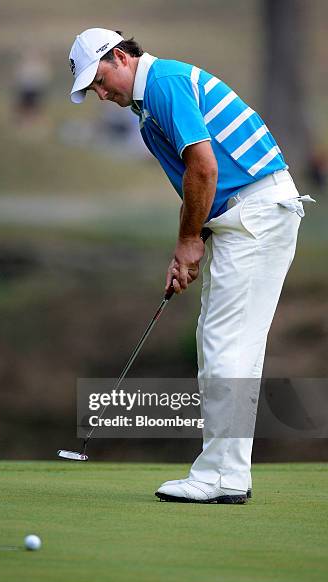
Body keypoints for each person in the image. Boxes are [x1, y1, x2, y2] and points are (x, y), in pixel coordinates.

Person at [68, 28, 314, 504]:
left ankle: (217, 477)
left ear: (119, 58)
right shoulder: (149, 109)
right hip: (246, 217)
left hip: (255, 214)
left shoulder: (163, 83)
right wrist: (191, 243)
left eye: (99, 81)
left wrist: (186, 241)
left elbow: (203, 168)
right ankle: (230, 476)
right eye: (91, 91)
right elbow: (198, 184)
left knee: (227, 345)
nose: (101, 95)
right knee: (227, 345)